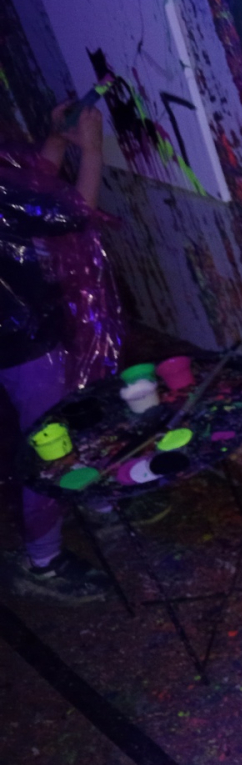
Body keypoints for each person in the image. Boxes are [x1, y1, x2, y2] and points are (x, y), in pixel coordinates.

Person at [1, 100, 114, 602]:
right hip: (22, 343)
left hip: (26, 332)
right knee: (48, 442)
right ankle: (43, 561)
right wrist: (92, 151)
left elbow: (30, 192)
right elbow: (73, 214)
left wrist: (54, 140)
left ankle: (89, 494)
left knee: (67, 422)